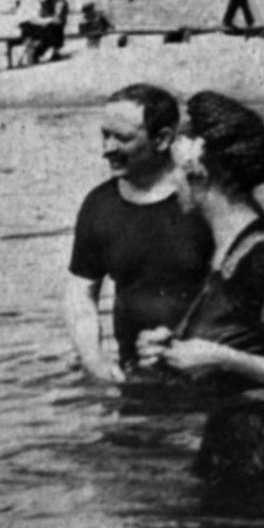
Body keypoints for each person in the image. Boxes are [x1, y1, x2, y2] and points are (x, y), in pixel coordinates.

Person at [133, 91, 264, 491]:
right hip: (244, 448)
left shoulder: (261, 259)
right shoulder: (229, 253)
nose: (170, 181)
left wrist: (218, 355)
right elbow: (243, 338)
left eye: (173, 169)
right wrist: (173, 350)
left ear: (199, 172)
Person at [64, 84, 214, 385]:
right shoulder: (100, 205)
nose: (106, 149)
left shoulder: (207, 199)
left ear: (162, 139)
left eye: (121, 138)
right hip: (135, 378)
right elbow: (80, 293)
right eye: (104, 134)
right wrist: (95, 360)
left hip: (211, 376)